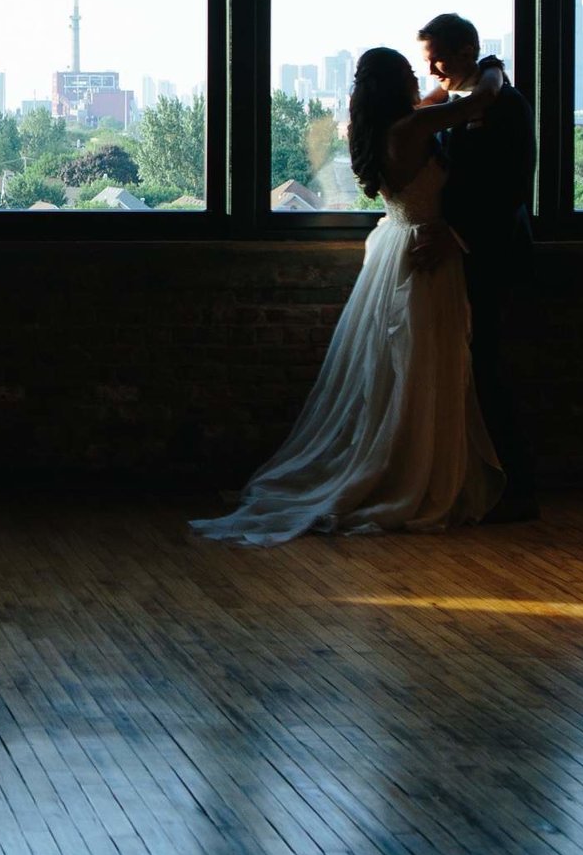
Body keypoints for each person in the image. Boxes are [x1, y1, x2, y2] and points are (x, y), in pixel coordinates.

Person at [193, 46, 506, 545]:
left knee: (399, 370)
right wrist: (491, 64)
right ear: (392, 86)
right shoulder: (410, 130)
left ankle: (406, 458)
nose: (417, 78)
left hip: (396, 245)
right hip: (424, 255)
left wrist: (451, 70)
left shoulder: (387, 127)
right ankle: (414, 473)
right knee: (423, 368)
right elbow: (474, 104)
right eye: (408, 73)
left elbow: (441, 95)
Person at [413, 11, 538, 522]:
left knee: (489, 368)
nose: (433, 68)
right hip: (454, 259)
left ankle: (515, 489)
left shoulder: (506, 105)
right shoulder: (451, 104)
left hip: (493, 255)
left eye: (438, 57)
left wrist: (458, 235)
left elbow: (510, 188)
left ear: (468, 50)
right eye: (427, 60)